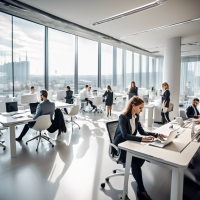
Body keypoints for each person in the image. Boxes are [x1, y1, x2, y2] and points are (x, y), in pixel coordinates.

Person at [113, 96, 165, 200]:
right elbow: (125, 135)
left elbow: (142, 132)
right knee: (136, 162)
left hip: (129, 145)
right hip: (119, 147)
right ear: (133, 105)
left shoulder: (136, 117)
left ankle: (139, 187)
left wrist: (156, 134)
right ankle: (141, 190)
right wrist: (141, 140)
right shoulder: (123, 117)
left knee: (141, 157)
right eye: (140, 108)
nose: (141, 110)